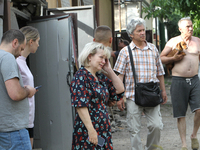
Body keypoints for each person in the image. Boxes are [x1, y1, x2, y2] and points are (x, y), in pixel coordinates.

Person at [114, 18, 167, 150]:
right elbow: (119, 76)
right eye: (139, 31)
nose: (143, 33)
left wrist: (163, 91)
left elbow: (160, 72)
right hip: (132, 95)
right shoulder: (125, 52)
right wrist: (119, 96)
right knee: (134, 129)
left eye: (143, 30)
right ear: (131, 34)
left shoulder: (153, 49)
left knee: (156, 125)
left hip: (152, 93)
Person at [70, 42, 124, 150]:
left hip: (103, 129)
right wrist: (91, 130)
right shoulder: (80, 76)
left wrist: (109, 70)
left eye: (105, 59)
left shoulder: (99, 77)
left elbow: (120, 90)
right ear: (90, 56)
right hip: (87, 130)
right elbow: (81, 106)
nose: (103, 61)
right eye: (101, 57)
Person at [160, 17, 200, 150]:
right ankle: (184, 145)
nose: (191, 28)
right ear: (180, 29)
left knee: (199, 110)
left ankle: (194, 135)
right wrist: (173, 58)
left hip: (194, 80)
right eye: (187, 26)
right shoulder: (173, 41)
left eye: (191, 26)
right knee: (180, 114)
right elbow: (161, 58)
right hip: (178, 81)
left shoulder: (198, 41)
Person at [0, 29, 37, 150]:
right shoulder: (7, 58)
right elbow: (15, 93)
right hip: (13, 130)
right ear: (15, 42)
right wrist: (28, 90)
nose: (20, 54)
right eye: (21, 49)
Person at [16, 26, 40, 148]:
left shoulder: (23, 61)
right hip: (22, 119)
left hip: (29, 117)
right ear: (31, 42)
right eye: (38, 41)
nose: (38, 45)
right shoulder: (17, 62)